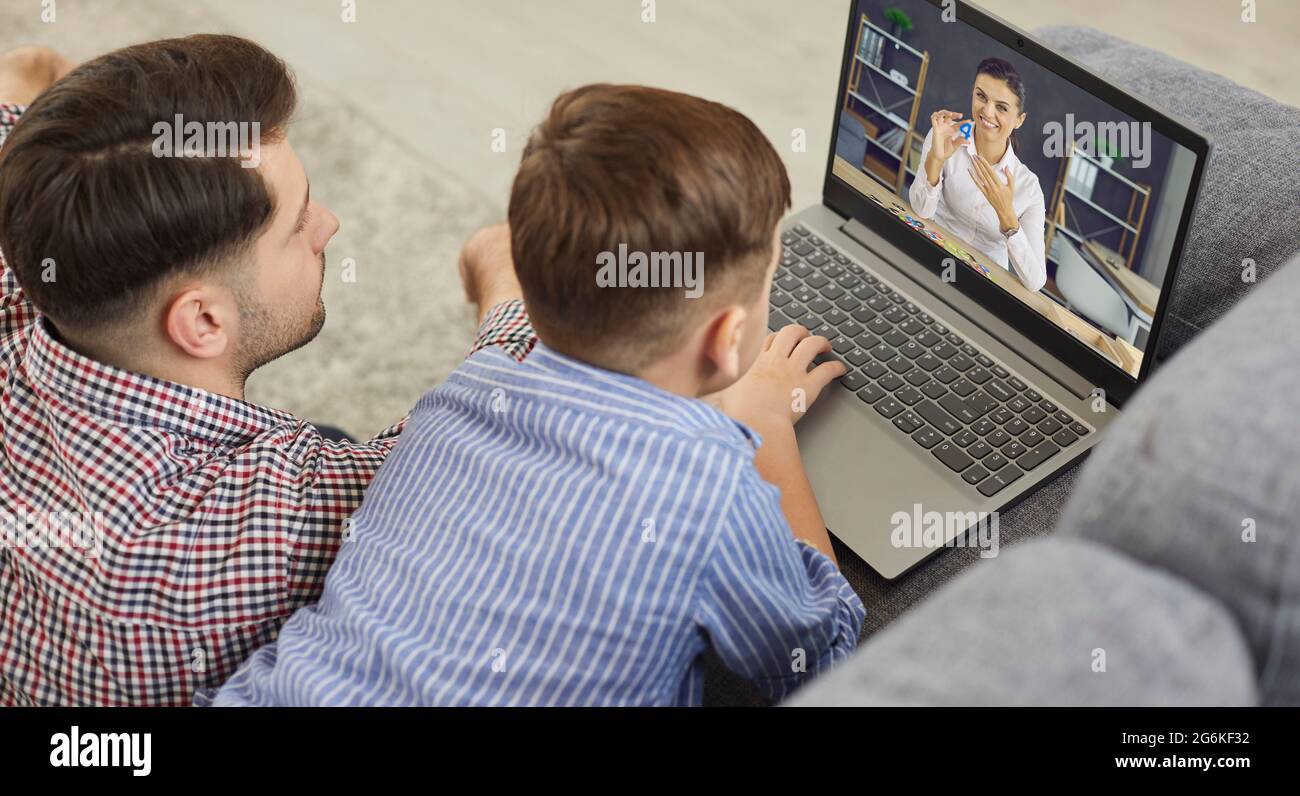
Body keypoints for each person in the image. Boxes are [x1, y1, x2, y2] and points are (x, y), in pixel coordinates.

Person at [210, 84, 867, 707]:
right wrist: (765, 427)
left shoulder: (457, 399)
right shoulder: (712, 492)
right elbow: (823, 663)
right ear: (726, 338)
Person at [0, 38, 533, 705]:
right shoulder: (273, 521)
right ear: (202, 323)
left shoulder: (24, 269)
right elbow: (496, 434)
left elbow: (20, 83)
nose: (329, 225)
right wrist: (503, 267)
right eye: (297, 222)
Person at [909, 57, 1047, 293]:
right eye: (981, 96)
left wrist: (1006, 215)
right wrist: (936, 159)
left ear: (1019, 120)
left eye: (1002, 107)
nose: (987, 112)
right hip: (932, 256)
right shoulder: (945, 136)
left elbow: (1036, 282)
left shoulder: (1029, 187)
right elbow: (921, 210)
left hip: (981, 288)